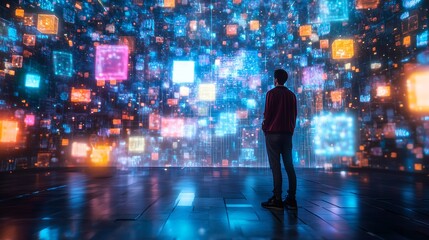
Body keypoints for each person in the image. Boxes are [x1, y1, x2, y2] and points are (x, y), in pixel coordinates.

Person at [261, 69, 298, 210]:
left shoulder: (271, 94)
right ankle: (291, 198)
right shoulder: (292, 95)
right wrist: (290, 130)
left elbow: (268, 114)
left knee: (276, 167)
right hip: (287, 134)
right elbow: (294, 115)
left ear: (275, 79)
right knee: (289, 166)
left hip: (273, 134)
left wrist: (265, 128)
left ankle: (277, 198)